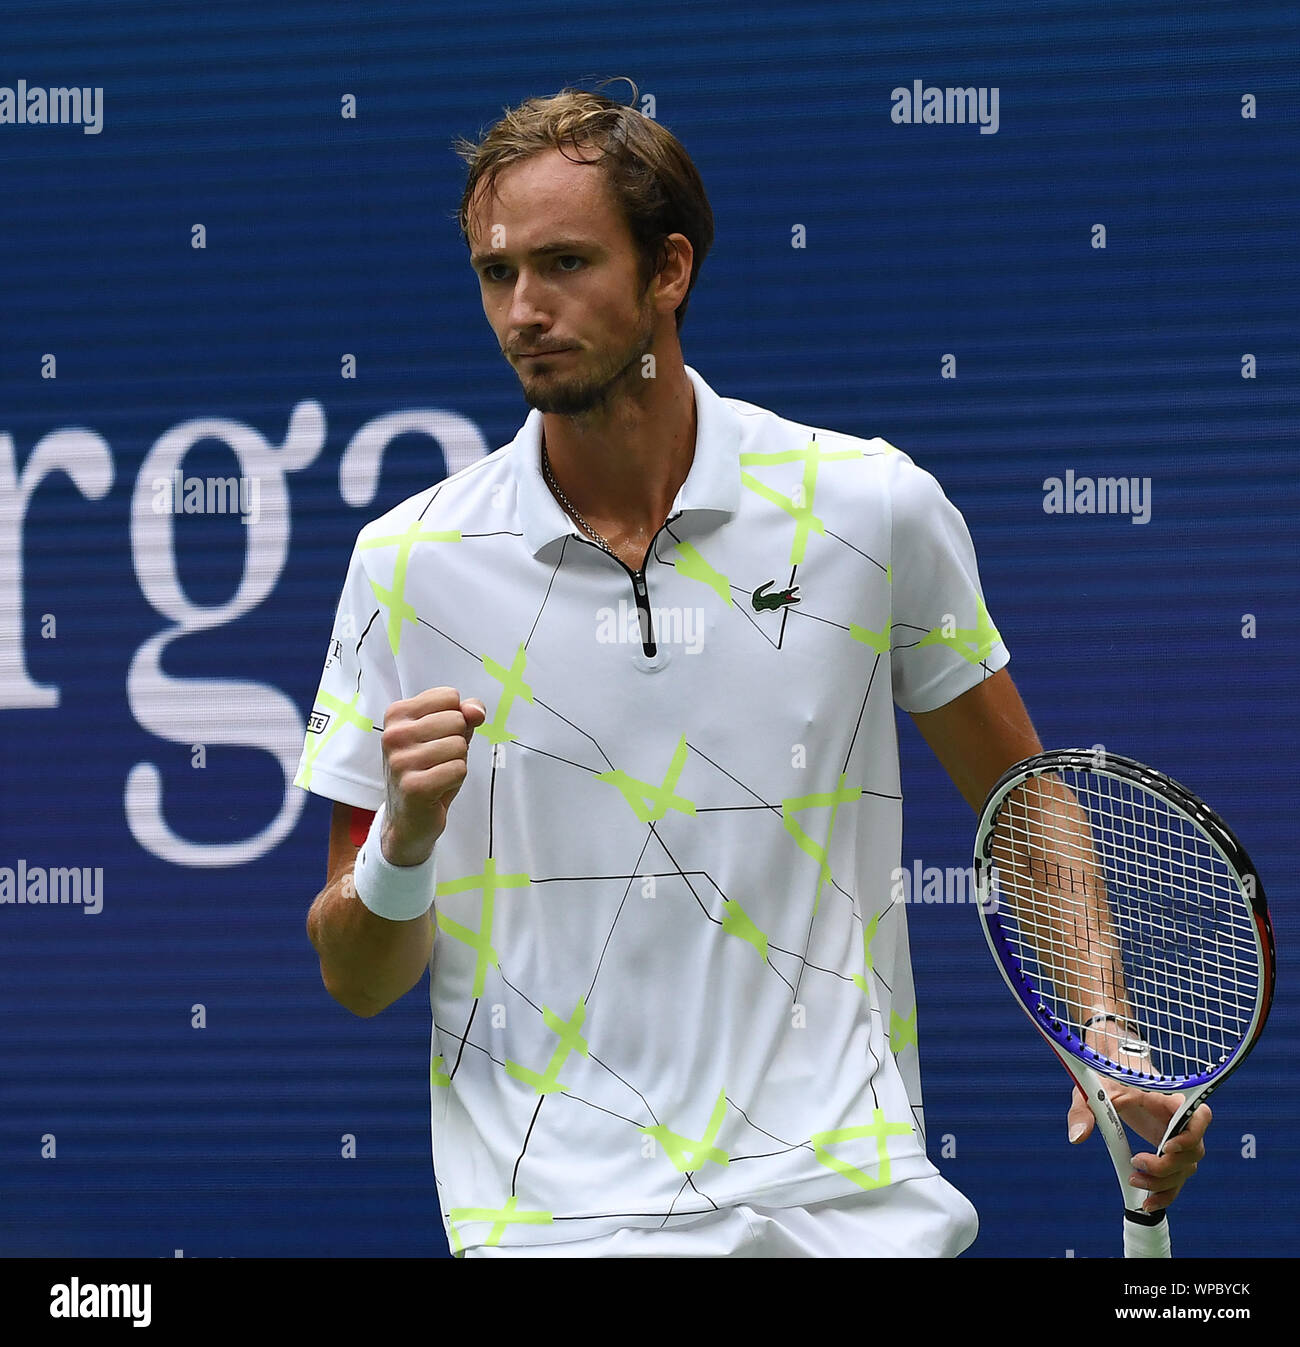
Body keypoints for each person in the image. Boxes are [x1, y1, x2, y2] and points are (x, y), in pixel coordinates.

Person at [296, 82, 1209, 1258]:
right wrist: (404, 844)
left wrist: (1103, 1026)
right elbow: (357, 977)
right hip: (560, 1227)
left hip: (852, 1212)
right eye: (495, 272)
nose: (524, 308)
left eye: (565, 263)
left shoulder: (868, 508)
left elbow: (1020, 805)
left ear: (667, 271)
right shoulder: (408, 564)